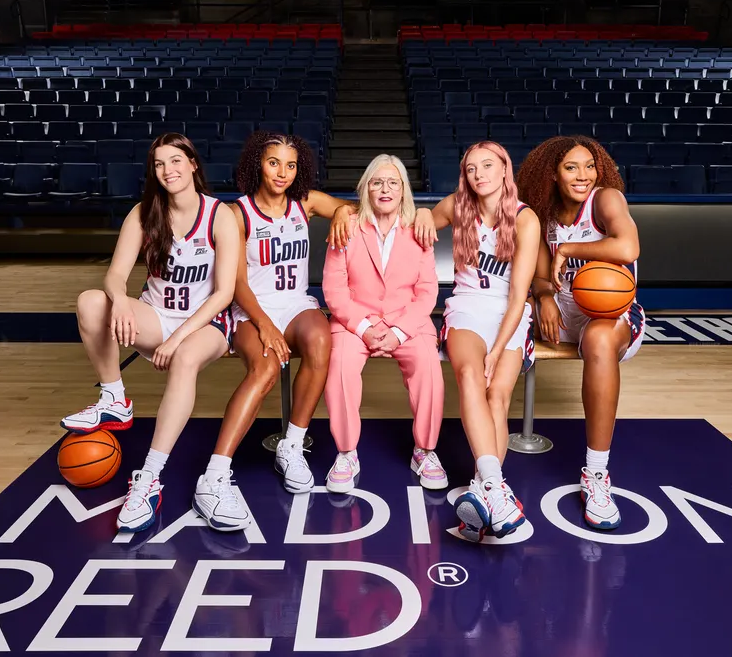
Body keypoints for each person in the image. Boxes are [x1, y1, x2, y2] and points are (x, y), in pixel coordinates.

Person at [60, 133, 242, 533]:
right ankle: (114, 399)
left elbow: (224, 293)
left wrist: (177, 339)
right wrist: (121, 300)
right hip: (157, 315)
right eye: (159, 164)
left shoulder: (219, 215)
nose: (168, 170)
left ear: (193, 164)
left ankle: (149, 477)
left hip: (205, 323)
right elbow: (115, 274)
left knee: (185, 357)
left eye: (176, 161)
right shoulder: (144, 213)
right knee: (92, 301)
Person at [410, 141, 540, 542]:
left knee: (497, 395)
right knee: (469, 375)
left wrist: (498, 349)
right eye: (471, 169)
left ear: (505, 170)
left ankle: (485, 488)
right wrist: (419, 213)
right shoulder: (457, 205)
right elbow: (424, 221)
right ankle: (495, 488)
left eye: (488, 165)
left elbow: (518, 296)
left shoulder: (525, 219)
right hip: (467, 307)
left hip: (508, 314)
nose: (479, 174)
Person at [515, 135, 645, 531]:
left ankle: (596, 474)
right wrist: (544, 297)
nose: (584, 175)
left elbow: (628, 248)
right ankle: (486, 464)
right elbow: (538, 276)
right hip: (560, 310)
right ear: (552, 174)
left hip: (609, 313)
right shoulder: (539, 212)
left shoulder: (606, 200)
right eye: (571, 167)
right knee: (501, 317)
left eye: (590, 166)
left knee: (599, 340)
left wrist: (569, 249)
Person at [218, 131, 353, 503]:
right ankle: (216, 472)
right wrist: (264, 324)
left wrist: (341, 210)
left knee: (322, 340)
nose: (282, 173)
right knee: (264, 368)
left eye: (290, 165)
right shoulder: (237, 212)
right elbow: (235, 281)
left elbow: (353, 208)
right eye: (273, 162)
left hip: (295, 303)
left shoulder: (304, 203)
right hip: (252, 307)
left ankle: (291, 446)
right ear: (257, 165)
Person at [320, 154, 446, 494]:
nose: (385, 189)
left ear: (404, 189)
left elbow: (426, 290)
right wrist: (363, 327)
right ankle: (346, 452)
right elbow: (334, 288)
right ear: (366, 189)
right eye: (377, 182)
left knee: (428, 365)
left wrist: (400, 331)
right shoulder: (347, 227)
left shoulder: (417, 229)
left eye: (393, 182)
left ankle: (425, 450)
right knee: (341, 366)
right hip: (354, 322)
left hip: (408, 321)